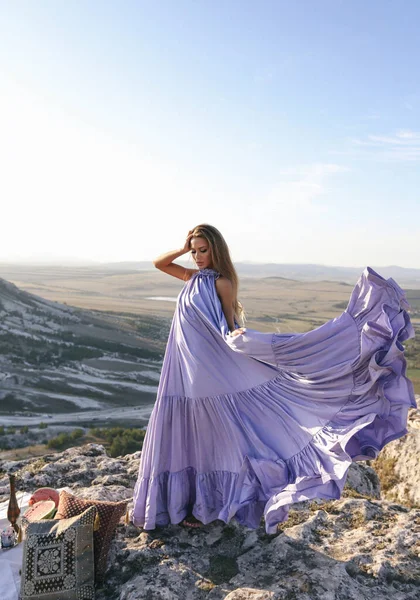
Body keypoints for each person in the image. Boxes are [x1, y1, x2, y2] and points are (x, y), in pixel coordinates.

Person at [131, 223, 416, 532]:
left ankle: (211, 501)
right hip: (182, 367)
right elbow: (159, 263)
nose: (198, 257)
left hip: (209, 367)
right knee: (190, 430)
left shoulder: (222, 283)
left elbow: (227, 325)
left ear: (216, 251)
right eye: (195, 251)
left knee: (212, 430)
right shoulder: (190, 277)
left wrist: (246, 341)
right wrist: (185, 247)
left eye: (204, 250)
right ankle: (185, 502)